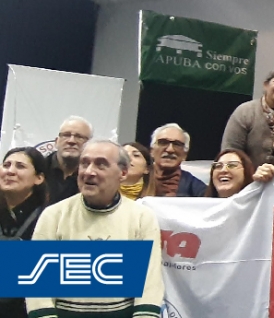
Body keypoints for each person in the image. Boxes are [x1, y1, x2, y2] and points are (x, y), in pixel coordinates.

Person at [28, 140, 164, 318]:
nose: (88, 172)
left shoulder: (142, 217)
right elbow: (38, 288)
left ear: (122, 173)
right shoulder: (53, 215)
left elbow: (150, 284)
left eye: (101, 165)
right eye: (84, 163)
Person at [0, 147, 47, 318]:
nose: (10, 171)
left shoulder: (49, 217)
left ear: (39, 178)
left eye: (20, 166)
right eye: (6, 165)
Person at [149, 123, 206, 197]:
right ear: (152, 151)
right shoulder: (138, 178)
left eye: (177, 144)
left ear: (184, 155)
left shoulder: (195, 187)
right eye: (163, 142)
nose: (170, 150)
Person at [45, 116, 92, 204]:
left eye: (79, 137)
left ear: (90, 144)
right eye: (66, 135)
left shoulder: (94, 175)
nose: (71, 141)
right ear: (56, 141)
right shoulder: (38, 169)